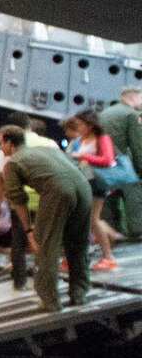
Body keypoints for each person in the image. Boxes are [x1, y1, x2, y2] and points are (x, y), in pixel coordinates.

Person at [0, 124, 94, 312]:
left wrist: (28, 230)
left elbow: (18, 201)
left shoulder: (13, 163)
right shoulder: (47, 149)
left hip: (57, 191)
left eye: (1, 143)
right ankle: (79, 292)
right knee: (78, 244)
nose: (0, 148)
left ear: (9, 142)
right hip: (84, 187)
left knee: (46, 248)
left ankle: (50, 300)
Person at [0, 113, 61, 290]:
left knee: (19, 241)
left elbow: (2, 178)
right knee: (46, 239)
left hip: (21, 201)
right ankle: (47, 279)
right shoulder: (49, 143)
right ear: (29, 124)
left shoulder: (9, 146)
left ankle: (19, 280)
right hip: (46, 198)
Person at [62, 111, 126, 271]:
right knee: (82, 220)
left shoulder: (102, 138)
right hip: (82, 182)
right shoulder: (80, 140)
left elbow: (108, 159)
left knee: (92, 220)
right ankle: (80, 257)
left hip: (96, 183)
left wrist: (83, 156)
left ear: (89, 125)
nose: (77, 128)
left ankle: (107, 257)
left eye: (79, 125)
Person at [99, 87, 142, 240]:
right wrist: (140, 168)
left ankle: (114, 233)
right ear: (132, 96)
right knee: (134, 195)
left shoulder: (105, 113)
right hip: (123, 164)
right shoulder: (132, 114)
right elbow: (137, 145)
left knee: (110, 199)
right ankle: (137, 232)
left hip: (104, 164)